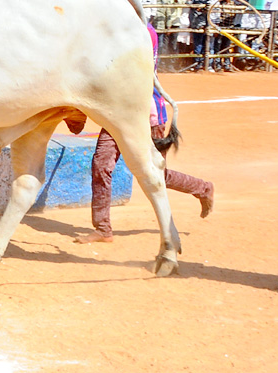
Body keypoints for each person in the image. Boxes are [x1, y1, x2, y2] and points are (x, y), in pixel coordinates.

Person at [75, 26, 214, 244]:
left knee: (156, 174)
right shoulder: (116, 27)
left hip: (148, 114)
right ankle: (102, 228)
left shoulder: (141, 31)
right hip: (117, 114)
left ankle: (202, 188)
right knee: (101, 165)